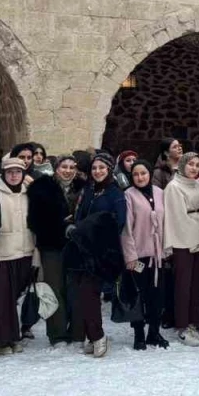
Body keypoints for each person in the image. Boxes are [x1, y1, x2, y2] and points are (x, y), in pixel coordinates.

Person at [69, 152, 126, 356]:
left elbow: (119, 221)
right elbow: (80, 214)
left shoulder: (115, 193)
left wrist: (94, 231)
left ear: (109, 169)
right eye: (94, 168)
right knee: (84, 294)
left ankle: (98, 336)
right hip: (83, 249)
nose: (97, 171)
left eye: (102, 168)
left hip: (102, 252)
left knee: (89, 292)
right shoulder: (89, 190)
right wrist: (74, 228)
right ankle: (92, 335)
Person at [163, 152, 199, 346]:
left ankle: (193, 324)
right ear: (183, 164)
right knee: (182, 287)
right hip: (183, 242)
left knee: (195, 286)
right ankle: (182, 327)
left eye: (197, 165)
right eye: (190, 164)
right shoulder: (174, 187)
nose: (194, 168)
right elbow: (179, 218)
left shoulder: (197, 185)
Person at [0, 157, 38, 354]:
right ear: (3, 173)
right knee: (3, 299)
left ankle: (15, 334)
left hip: (25, 251)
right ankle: (3, 339)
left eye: (18, 172)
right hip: (3, 253)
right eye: (10, 172)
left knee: (17, 296)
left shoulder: (29, 193)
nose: (14, 175)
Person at [122, 160, 169, 350]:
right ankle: (139, 334)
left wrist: (166, 249)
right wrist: (130, 256)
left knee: (157, 295)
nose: (140, 177)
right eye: (136, 174)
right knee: (138, 296)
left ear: (150, 174)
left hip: (157, 255)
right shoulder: (129, 195)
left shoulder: (160, 193)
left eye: (143, 173)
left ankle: (154, 332)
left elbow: (166, 221)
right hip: (138, 255)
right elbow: (126, 228)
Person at [27, 165, 75, 346]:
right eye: (64, 167)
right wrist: (60, 224)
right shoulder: (42, 188)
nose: (68, 170)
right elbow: (34, 221)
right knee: (54, 288)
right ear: (56, 169)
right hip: (51, 245)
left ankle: (75, 329)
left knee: (72, 290)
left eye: (72, 167)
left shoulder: (83, 187)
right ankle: (58, 333)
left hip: (76, 247)